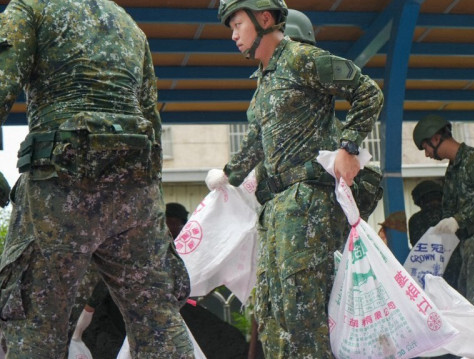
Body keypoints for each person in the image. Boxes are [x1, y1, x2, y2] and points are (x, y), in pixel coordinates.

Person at [0, 1, 194, 357]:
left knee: (33, 325)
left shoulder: (31, 9)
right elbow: (151, 120)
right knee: (159, 322)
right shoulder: (129, 25)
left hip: (59, 191)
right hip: (135, 193)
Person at [207, 1, 384, 357]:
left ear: (265, 19)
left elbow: (368, 92)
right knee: (275, 313)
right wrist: (228, 174)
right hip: (277, 208)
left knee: (305, 314)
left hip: (307, 205)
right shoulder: (264, 81)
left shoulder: (301, 59)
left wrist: (348, 148)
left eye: (237, 24)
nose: (233, 35)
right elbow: (258, 141)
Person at [412, 114, 474, 309]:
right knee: (466, 307)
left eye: (425, 147)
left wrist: (458, 220)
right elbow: (448, 211)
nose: (426, 154)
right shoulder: (452, 171)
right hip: (470, 247)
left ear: (435, 138)